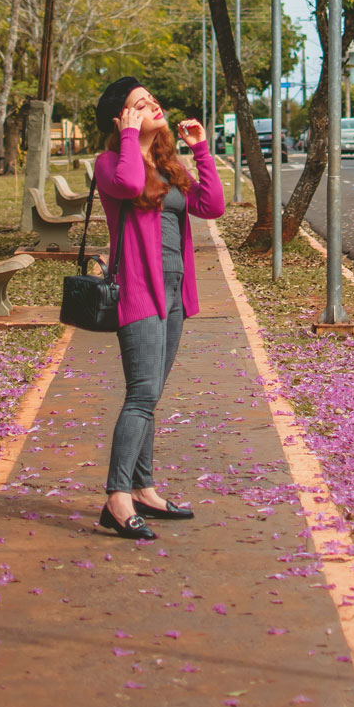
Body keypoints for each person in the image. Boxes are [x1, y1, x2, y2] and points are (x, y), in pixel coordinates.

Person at [93, 76, 225, 540]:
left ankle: (144, 487)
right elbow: (129, 184)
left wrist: (201, 150)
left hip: (174, 291)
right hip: (137, 289)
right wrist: (130, 136)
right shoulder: (110, 161)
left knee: (150, 395)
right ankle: (117, 496)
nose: (152, 106)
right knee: (143, 394)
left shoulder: (169, 165)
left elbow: (211, 207)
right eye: (139, 104)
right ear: (121, 118)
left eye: (152, 100)